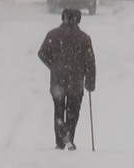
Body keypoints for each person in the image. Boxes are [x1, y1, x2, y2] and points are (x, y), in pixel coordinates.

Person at [38, 8, 96, 151]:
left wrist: (53, 65)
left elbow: (42, 53)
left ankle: (60, 140)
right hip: (76, 83)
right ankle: (69, 136)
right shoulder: (84, 38)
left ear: (63, 18)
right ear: (78, 19)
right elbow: (90, 62)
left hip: (58, 82)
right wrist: (90, 82)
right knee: (73, 112)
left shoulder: (53, 35)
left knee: (59, 110)